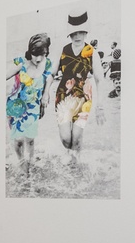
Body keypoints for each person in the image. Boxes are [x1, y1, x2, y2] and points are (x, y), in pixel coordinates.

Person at [54, 13, 104, 168]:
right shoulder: (63, 50)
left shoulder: (91, 52)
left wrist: (99, 106)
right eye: (74, 33)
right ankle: (70, 155)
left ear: (86, 32)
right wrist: (43, 95)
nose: (77, 36)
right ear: (70, 34)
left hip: (84, 97)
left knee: (76, 137)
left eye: (81, 32)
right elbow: (51, 74)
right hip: (63, 96)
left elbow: (99, 79)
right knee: (65, 138)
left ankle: (75, 163)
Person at [6, 33, 53, 185]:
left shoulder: (47, 63)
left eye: (42, 54)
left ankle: (31, 162)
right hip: (16, 105)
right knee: (18, 139)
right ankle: (20, 163)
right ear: (30, 51)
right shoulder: (22, 63)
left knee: (30, 139)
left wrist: (45, 95)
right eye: (35, 54)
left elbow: (50, 77)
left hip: (33, 106)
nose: (38, 59)